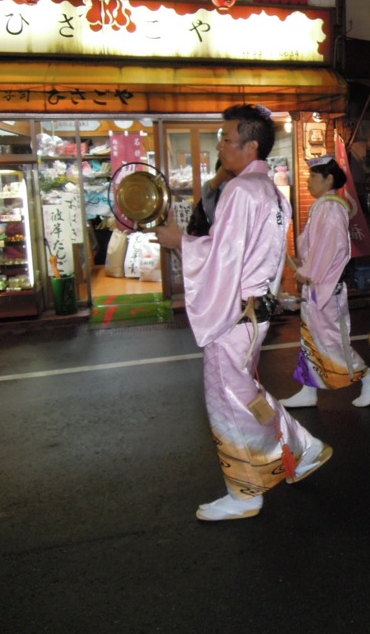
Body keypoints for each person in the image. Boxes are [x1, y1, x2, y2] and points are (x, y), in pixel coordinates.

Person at [152, 105, 331, 521]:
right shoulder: (271, 192)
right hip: (255, 312)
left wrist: (180, 241)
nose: (220, 145)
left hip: (234, 315)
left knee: (227, 399)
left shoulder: (240, 191)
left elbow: (223, 256)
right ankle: (301, 447)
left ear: (251, 146)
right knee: (247, 393)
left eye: (226, 139)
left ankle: (246, 490)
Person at [279, 155, 370, 409]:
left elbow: (331, 247)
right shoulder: (325, 206)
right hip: (319, 287)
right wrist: (306, 265)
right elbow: (317, 246)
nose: (307, 182)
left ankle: (369, 378)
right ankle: (308, 388)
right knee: (311, 339)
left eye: (313, 177)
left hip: (326, 288)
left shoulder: (330, 208)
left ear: (328, 179)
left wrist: (310, 271)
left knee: (332, 341)